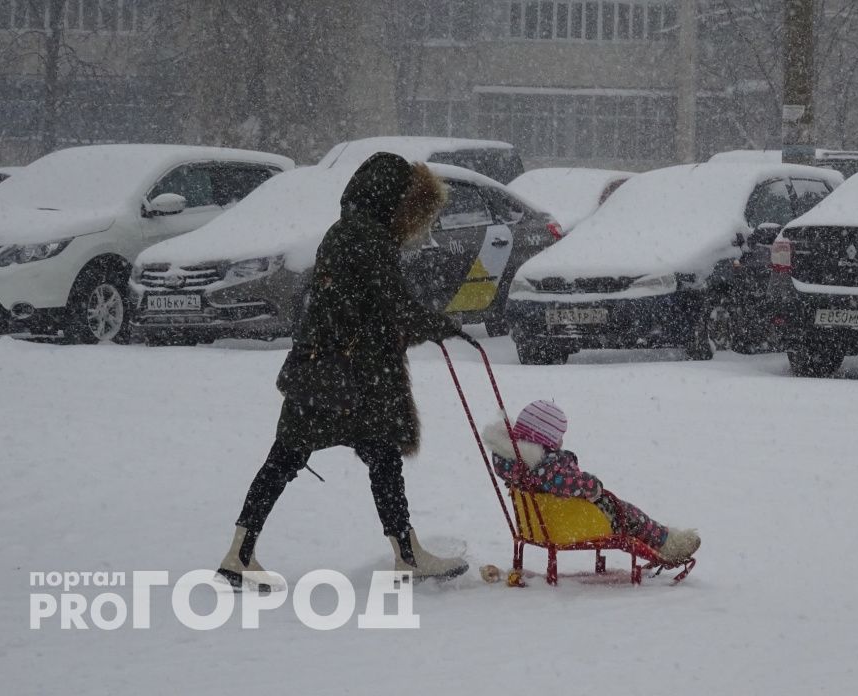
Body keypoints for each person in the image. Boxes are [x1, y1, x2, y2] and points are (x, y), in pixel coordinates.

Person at [217, 152, 470, 588]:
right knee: (374, 459)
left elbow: (362, 305)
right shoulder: (370, 239)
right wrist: (441, 325)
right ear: (393, 200)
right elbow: (394, 307)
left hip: (322, 369)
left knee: (295, 459)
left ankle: (240, 551)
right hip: (352, 376)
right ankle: (406, 556)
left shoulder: (344, 231)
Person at [482, 400, 701, 563]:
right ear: (547, 439)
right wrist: (593, 485)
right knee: (627, 514)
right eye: (559, 436)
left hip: (545, 520)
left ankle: (663, 541)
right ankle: (666, 543)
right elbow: (572, 483)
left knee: (623, 511)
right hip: (570, 519)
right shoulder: (547, 467)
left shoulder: (513, 462)